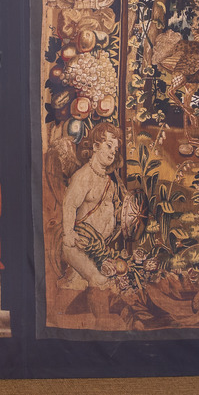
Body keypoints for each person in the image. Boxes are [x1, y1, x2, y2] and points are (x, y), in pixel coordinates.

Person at [59, 123, 136, 288]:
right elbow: (69, 205)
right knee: (99, 282)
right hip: (80, 247)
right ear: (95, 147)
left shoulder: (110, 183)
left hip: (101, 250)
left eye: (115, 149)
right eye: (109, 146)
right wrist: (69, 234)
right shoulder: (83, 176)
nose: (113, 152)